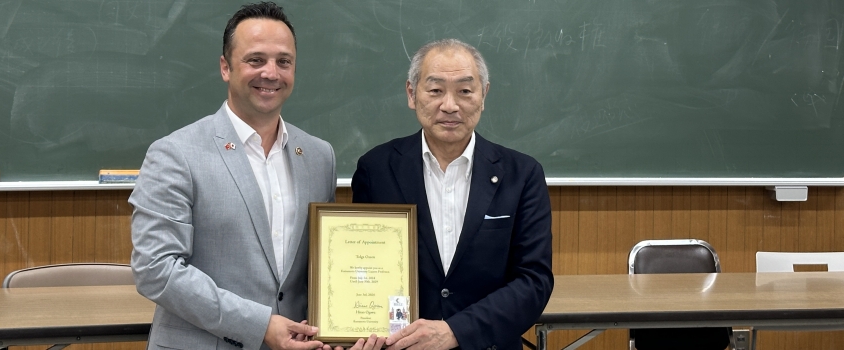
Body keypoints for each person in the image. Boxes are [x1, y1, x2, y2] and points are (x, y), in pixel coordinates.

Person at [128, 2, 336, 350]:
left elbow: (321, 266)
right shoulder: (175, 154)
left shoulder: (318, 156)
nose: (271, 73)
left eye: (284, 61)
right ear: (226, 67)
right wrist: (260, 325)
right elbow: (156, 270)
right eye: (255, 60)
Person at [350, 38, 554, 350]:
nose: (449, 105)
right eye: (435, 90)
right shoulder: (376, 170)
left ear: (483, 96)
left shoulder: (522, 174)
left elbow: (533, 282)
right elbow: (362, 269)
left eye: (465, 90)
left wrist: (455, 331)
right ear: (411, 94)